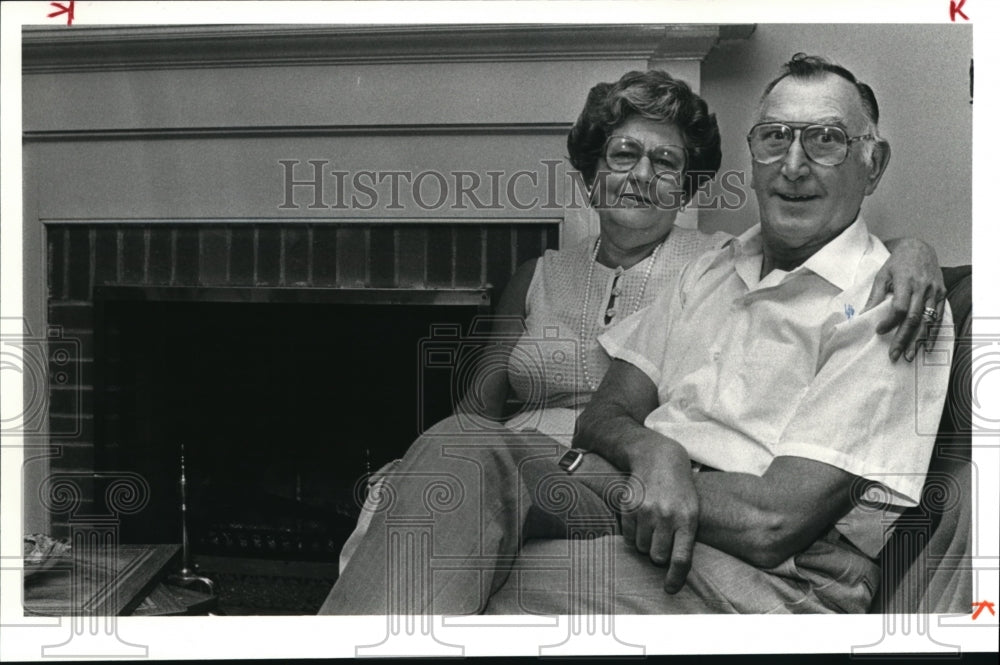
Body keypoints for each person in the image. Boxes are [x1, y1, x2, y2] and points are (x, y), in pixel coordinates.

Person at [322, 57, 951, 614]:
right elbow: (606, 411)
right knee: (461, 450)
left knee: (447, 565)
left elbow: (772, 523)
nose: (793, 164)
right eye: (776, 138)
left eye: (826, 141)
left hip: (765, 577)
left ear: (873, 163)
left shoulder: (891, 300)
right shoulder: (716, 269)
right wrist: (654, 455)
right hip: (644, 507)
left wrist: (626, 476)